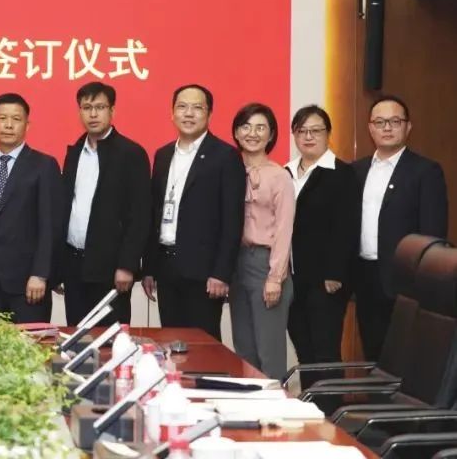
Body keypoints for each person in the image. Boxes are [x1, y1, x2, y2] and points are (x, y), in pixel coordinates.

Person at [142, 84, 245, 341]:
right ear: (172, 113)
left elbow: (232, 220)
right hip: (167, 267)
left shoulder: (225, 156)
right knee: (171, 342)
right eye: (182, 107)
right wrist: (150, 268)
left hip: (204, 273)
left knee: (203, 345)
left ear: (209, 114)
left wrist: (221, 273)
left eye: (197, 107)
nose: (189, 113)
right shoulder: (163, 154)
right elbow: (155, 212)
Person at [352, 95, 448, 361]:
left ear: (408, 127)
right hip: (364, 277)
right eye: (380, 122)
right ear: (370, 128)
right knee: (372, 354)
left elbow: (433, 234)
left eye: (395, 121)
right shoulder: (356, 170)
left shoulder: (425, 171)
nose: (387, 128)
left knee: (403, 358)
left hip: (405, 280)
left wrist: (422, 281)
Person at [58, 82, 151, 326]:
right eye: (86, 107)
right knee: (77, 336)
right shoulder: (74, 152)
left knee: (110, 338)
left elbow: (140, 215)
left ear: (112, 111)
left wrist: (127, 265)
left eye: (100, 107)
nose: (93, 114)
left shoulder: (131, 153)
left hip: (111, 269)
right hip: (74, 265)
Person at [0, 93, 64, 323]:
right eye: (2, 118)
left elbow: (50, 224)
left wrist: (40, 273)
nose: (9, 125)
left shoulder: (44, 165)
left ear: (27, 125)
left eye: (16, 119)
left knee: (32, 344)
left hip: (29, 284)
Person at [284, 105, 360, 374]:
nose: (308, 137)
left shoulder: (342, 173)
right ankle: (310, 401)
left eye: (316, 130)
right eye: (302, 131)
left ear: (328, 133)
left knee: (325, 352)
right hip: (292, 279)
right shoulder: (285, 172)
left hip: (325, 281)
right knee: (304, 351)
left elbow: (347, 226)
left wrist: (335, 272)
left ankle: (331, 402)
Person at [227, 103, 295, 380]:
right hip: (236, 263)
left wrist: (275, 277)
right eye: (246, 127)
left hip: (266, 264)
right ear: (236, 132)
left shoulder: (279, 176)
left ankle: (275, 405)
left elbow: (284, 229)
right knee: (244, 349)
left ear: (271, 134)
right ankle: (250, 404)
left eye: (260, 128)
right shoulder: (229, 171)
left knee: (269, 352)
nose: (252, 133)